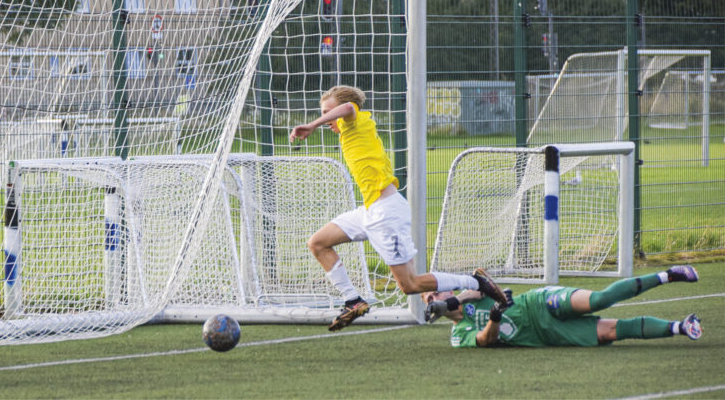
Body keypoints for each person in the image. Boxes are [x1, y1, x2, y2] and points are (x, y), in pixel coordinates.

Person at [290, 85, 508, 331]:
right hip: (370, 210)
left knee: (410, 285)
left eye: (328, 112)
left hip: (387, 213)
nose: (328, 119)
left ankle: (476, 282)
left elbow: (348, 107)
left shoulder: (355, 119)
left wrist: (313, 124)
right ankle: (353, 300)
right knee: (317, 243)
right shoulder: (348, 132)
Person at [422, 265, 703, 347]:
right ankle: (681, 326)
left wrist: (455, 299)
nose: (432, 299)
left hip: (540, 303)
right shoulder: (458, 336)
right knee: (612, 331)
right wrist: (494, 317)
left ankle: (668, 275)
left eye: (434, 293)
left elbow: (479, 280)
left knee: (599, 299)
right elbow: (485, 340)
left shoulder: (470, 290)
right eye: (428, 299)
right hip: (545, 335)